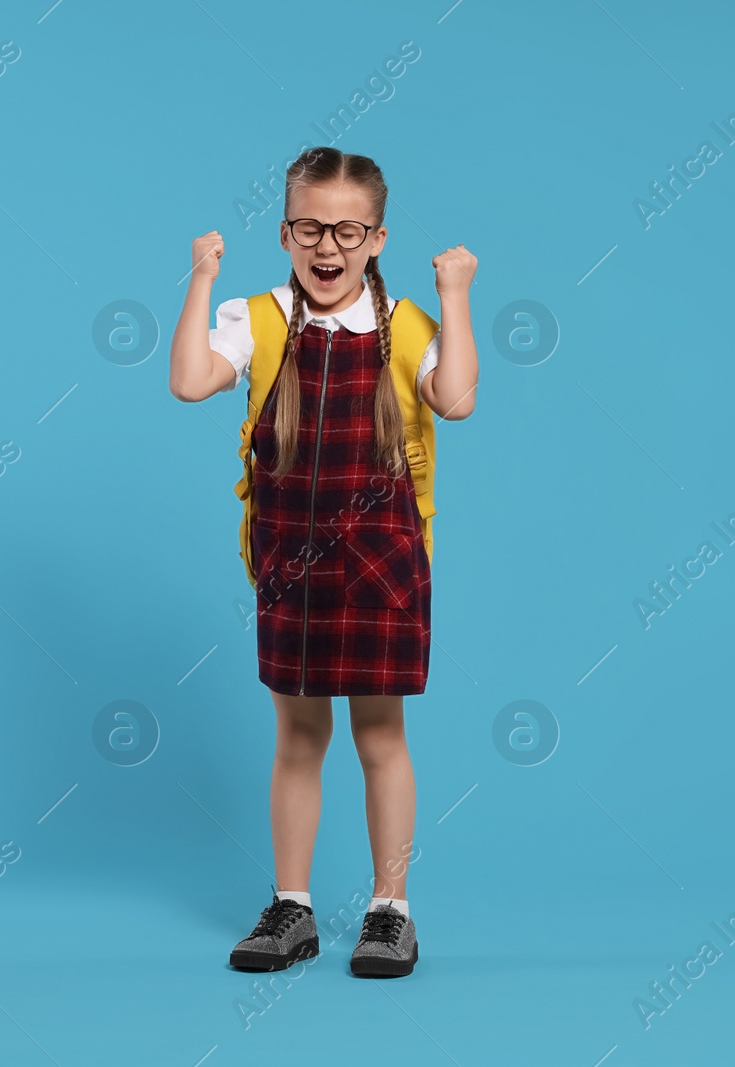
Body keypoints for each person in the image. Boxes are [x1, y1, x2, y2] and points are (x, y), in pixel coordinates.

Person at [169, 146, 478, 978]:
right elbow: (191, 381)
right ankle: (293, 909)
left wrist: (455, 296)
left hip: (383, 564)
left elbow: (455, 399)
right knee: (298, 738)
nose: (327, 245)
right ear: (285, 233)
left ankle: (390, 911)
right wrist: (200, 277)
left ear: (376, 238)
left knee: (381, 735)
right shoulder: (258, 316)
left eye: (347, 229)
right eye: (310, 228)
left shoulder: (406, 325)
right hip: (293, 564)